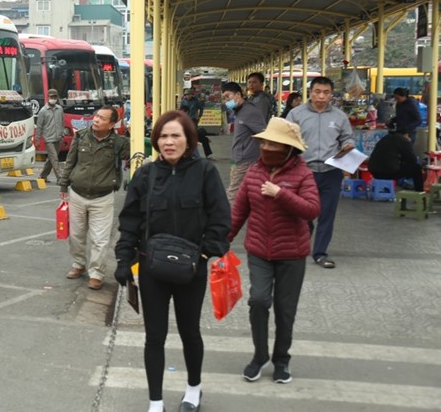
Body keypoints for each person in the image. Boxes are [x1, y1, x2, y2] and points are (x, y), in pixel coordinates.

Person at [114, 110, 231, 412]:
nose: (168, 142)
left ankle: (194, 388)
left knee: (190, 331)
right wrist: (124, 259)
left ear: (189, 139)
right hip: (152, 268)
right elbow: (130, 221)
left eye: (175, 135)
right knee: (155, 336)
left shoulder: (205, 172)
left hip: (192, 268)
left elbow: (220, 219)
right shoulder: (145, 174)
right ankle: (156, 401)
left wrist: (205, 253)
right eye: (163, 136)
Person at [230, 117, 320, 385]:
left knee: (285, 309)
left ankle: (282, 360)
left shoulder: (302, 174)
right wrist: (222, 242)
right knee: (258, 300)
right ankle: (259, 356)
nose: (267, 147)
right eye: (265, 142)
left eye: (274, 144)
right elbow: (239, 211)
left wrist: (281, 193)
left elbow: (312, 209)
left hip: (292, 254)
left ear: (289, 149)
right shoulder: (254, 173)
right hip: (258, 251)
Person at [285, 76, 355, 269]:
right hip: (303, 171)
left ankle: (320, 253)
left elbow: (347, 137)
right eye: (317, 92)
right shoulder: (295, 114)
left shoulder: (339, 116)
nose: (321, 96)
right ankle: (300, 245)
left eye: (326, 93)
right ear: (311, 92)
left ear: (331, 94)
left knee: (327, 213)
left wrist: (349, 145)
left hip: (330, 171)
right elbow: (286, 140)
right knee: (302, 212)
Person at [59, 105, 130, 290]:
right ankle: (78, 265)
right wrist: (63, 185)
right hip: (77, 194)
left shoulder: (119, 143)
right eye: (96, 116)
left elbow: (137, 152)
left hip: (103, 198)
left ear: (112, 124)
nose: (96, 120)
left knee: (100, 239)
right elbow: (70, 162)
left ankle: (96, 274)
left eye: (102, 118)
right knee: (76, 235)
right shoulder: (81, 136)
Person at [221, 82, 267, 202]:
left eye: (228, 96)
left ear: (238, 94)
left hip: (246, 160)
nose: (226, 101)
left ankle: (226, 219)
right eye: (224, 98)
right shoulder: (240, 111)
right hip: (239, 159)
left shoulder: (250, 111)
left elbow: (263, 134)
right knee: (245, 194)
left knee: (232, 195)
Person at [37, 88, 65, 182]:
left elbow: (62, 122)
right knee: (55, 158)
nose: (53, 98)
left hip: (58, 138)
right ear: (48, 97)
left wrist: (62, 133)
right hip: (48, 139)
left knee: (51, 159)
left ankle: (43, 176)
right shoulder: (43, 111)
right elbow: (39, 126)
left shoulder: (60, 109)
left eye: (55, 96)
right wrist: (37, 139)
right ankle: (60, 178)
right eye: (51, 96)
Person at [181, 87, 213, 160]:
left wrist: (200, 115)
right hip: (185, 120)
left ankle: (197, 153)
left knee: (193, 135)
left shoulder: (195, 101)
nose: (188, 96)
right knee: (196, 137)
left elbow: (201, 108)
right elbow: (181, 110)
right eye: (186, 95)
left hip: (193, 120)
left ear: (191, 95)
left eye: (189, 95)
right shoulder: (183, 101)